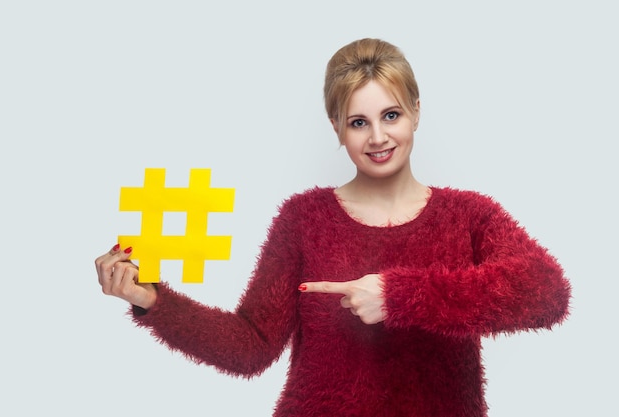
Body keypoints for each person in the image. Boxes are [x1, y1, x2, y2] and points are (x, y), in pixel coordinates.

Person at [95, 38, 571, 416]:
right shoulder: (303, 219)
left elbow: (547, 292)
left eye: (391, 115)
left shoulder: (468, 216)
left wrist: (397, 296)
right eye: (358, 122)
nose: (378, 137)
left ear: (416, 112)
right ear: (336, 128)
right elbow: (252, 347)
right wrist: (152, 300)